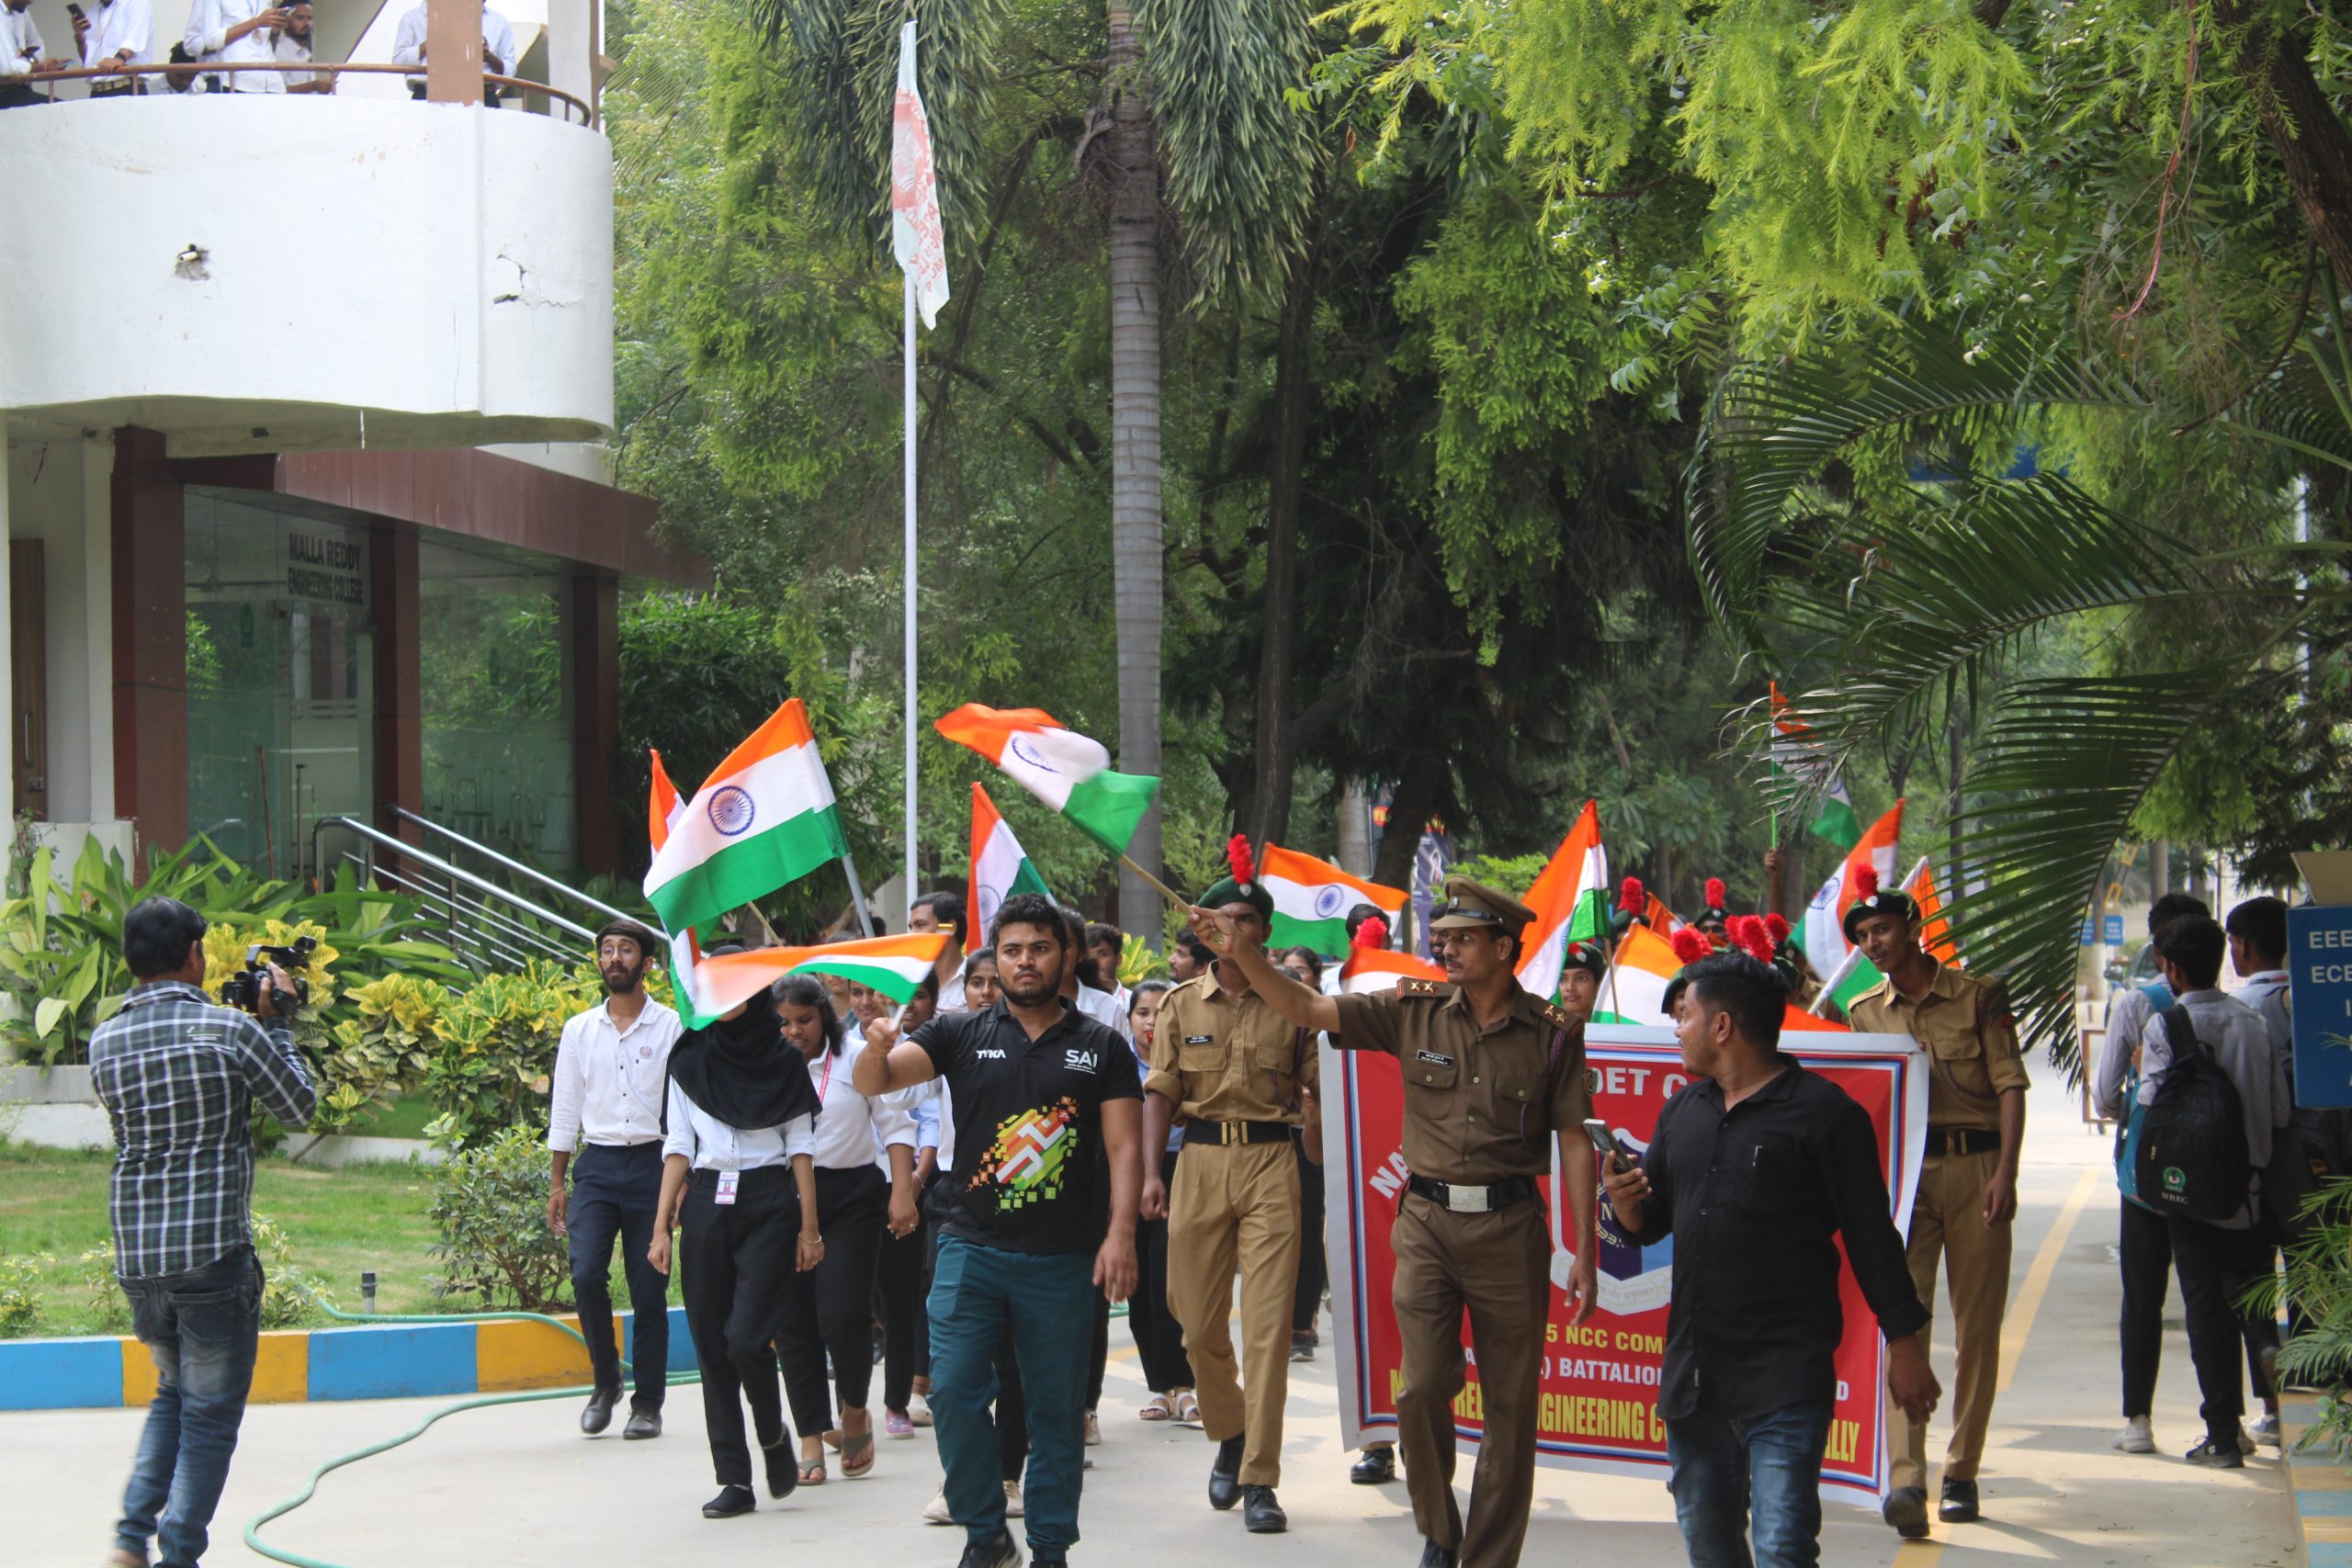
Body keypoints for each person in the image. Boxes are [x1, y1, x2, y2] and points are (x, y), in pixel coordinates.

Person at [1192, 874, 1600, 1568]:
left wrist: (1583, 1248)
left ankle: (1488, 1557)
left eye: (1462, 939)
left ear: (1504, 948)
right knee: (1423, 1386)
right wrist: (1244, 953)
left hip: (1510, 1230)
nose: (1446, 950)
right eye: (1441, 938)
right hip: (1428, 1224)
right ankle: (1439, 1527)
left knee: (1510, 1405)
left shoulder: (1554, 1035)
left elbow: (1576, 1140)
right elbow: (1308, 1006)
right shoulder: (1413, 1010)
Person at [1602, 952, 1940, 1568]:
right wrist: (1625, 1206)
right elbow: (1652, 1223)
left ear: (1722, 1026)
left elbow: (1872, 1238)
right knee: (1711, 1551)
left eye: (1685, 1016)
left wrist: (1906, 1346)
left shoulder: (1827, 1116)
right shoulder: (1683, 1111)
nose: (1677, 1030)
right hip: (1694, 1380)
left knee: (1784, 1550)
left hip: (1785, 1377)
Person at [854, 892, 1144, 1568]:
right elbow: (877, 1081)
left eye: (1039, 948)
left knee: (1055, 1412)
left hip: (1062, 1257)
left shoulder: (1102, 1045)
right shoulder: (959, 1032)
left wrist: (1121, 1234)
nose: (1025, 961)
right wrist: (875, 1047)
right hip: (970, 1244)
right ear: (996, 958)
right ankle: (985, 1533)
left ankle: (1049, 1548)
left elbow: (1125, 1147)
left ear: (1064, 956)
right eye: (1012, 950)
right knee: (954, 1390)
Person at [90, 897, 317, 1568]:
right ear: (194, 955)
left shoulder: (104, 1040)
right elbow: (299, 1106)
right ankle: (178, 1555)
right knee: (210, 1415)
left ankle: (130, 1537)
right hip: (212, 1254)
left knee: (174, 1391)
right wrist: (277, 1023)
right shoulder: (229, 1031)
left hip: (140, 1259)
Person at [1846, 870, 2028, 1535]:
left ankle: (1961, 1471)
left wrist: (2006, 1172)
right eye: (1864, 936)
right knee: (1903, 1320)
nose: (1874, 943)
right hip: (1907, 1181)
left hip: (1978, 1168)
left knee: (1977, 1327)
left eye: (1883, 929)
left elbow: (2010, 1085)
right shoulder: (1863, 1012)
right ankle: (1905, 1477)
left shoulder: (1979, 995)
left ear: (1914, 928)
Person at [1143, 860, 1318, 1536]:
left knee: (1269, 1329)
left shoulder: (1296, 1002)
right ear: (1205, 929)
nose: (1236, 930)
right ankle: (1231, 1429)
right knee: (1194, 1322)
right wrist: (1153, 1174)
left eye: (1248, 920)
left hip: (1272, 1161)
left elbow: (1319, 1089)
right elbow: (1161, 1090)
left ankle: (1260, 1478)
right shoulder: (1179, 1003)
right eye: (1224, 920)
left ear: (1265, 931)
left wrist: (1321, 1128)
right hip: (1200, 1160)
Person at [648, 976, 824, 1518]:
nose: (727, 1000)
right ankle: (734, 1480)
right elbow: (679, 1144)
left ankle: (771, 1433)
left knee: (746, 1340)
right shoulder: (688, 1059)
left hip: (769, 1202)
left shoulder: (784, 1058)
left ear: (755, 994)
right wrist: (660, 1228)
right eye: (716, 990)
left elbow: (800, 1147)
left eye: (737, 989)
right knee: (711, 1346)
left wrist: (809, 1229)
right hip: (705, 1201)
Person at [2136, 915, 2286, 1469]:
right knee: (2250, 1290)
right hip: (2248, 1189)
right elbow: (2278, 1112)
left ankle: (2224, 1434)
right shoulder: (2253, 1023)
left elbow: (2151, 1104)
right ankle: (2266, 1362)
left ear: (2172, 969)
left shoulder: (2165, 1027)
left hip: (2190, 1193)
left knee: (2203, 1307)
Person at [774, 975, 916, 1483]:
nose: (795, 1031)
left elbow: (897, 1125)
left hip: (852, 1197)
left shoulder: (858, 1057)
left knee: (843, 1313)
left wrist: (902, 1191)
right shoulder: (767, 1064)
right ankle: (811, 1437)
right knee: (793, 1323)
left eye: (805, 1020)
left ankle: (855, 1408)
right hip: (783, 1201)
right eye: (783, 1023)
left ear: (825, 1016)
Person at [546, 919, 680, 1440]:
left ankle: (648, 1403)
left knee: (649, 1287)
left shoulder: (671, 1027)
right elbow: (565, 1108)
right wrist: (558, 1183)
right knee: (585, 1274)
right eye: (607, 950)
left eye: (626, 950)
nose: (615, 958)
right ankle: (606, 1383)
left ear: (647, 964)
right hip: (598, 1166)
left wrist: (681, 1179)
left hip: (654, 1164)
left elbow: (685, 1108)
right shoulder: (580, 1030)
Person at [2091, 892, 2214, 1455]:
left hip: (2146, 1174)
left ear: (2162, 953)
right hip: (2213, 1176)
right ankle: (2234, 1419)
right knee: (2210, 1293)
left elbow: (2104, 1095)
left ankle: (2138, 1420)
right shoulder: (2239, 1011)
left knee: (2143, 1295)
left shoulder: (2137, 1005)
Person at [2233, 894, 2344, 1359]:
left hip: (2255, 1167)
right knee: (2312, 1268)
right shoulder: (2323, 1000)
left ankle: (2267, 1364)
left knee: (2253, 1271)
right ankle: (2309, 1367)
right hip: (2319, 1162)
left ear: (2243, 946)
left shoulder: (2238, 1009)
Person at [1125, 980, 1197, 1422]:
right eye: (1142, 1012)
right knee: (1139, 1288)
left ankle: (1186, 1385)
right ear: (1129, 1018)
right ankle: (1160, 1387)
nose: (1151, 1021)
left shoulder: (1190, 1058)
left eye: (1161, 1012)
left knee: (1170, 1281)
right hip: (1128, 1174)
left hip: (1183, 1168)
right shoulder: (1117, 1063)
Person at [1277, 945, 1330, 1365]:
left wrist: (1314, 1111)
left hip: (1309, 1142)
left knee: (1308, 1233)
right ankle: (1275, 1321)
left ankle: (1301, 1327)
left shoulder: (1323, 1034)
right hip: (1265, 1143)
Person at [390, 0, 514, 104]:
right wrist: (428, 46)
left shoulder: (499, 21)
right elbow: (398, 62)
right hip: (427, 93)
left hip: (485, 95)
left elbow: (510, 71)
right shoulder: (411, 19)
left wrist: (488, 57)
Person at [183, 0, 288, 93]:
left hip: (273, 82)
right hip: (235, 80)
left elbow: (267, 43)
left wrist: (275, 31)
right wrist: (256, 22)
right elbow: (199, 42)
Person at [74, 0, 151, 96]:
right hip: (97, 90)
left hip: (127, 87)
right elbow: (88, 60)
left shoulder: (136, 2)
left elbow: (134, 38)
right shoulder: (93, 11)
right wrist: (80, 38)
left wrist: (119, 59)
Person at [2, 0, 69, 107]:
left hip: (20, 89)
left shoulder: (20, 12)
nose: (32, 1)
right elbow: (6, 68)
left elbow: (39, 47)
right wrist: (42, 67)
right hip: (4, 93)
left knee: (64, 108)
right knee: (62, 109)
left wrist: (32, 63)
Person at [912, 890, 968, 1010]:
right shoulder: (912, 981)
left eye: (920, 925)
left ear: (948, 928)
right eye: (911, 927)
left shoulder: (980, 977)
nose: (912, 934)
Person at [272, 1, 329, 91]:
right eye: (300, 18)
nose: (307, 23)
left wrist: (321, 88)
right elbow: (276, 91)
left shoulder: (305, 52)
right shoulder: (279, 51)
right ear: (285, 22)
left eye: (310, 18)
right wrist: (314, 86)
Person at [1557, 939, 1607, 1024]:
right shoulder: (1541, 1029)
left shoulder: (1613, 1025)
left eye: (1581, 978)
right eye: (1562, 979)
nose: (1570, 987)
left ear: (1597, 986)